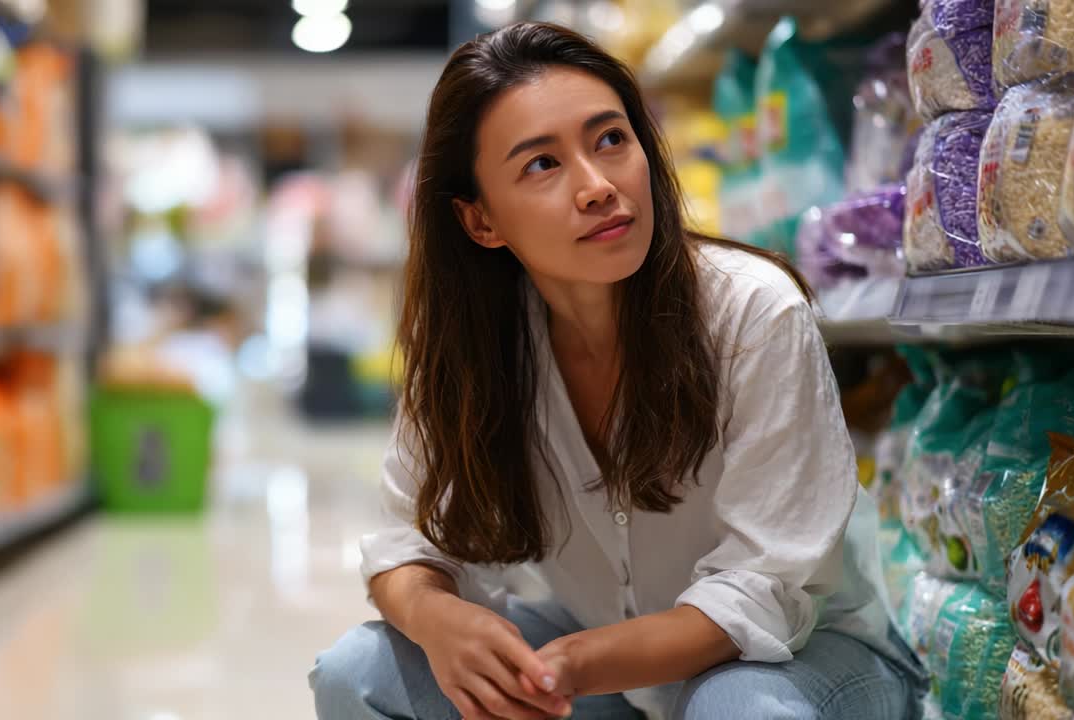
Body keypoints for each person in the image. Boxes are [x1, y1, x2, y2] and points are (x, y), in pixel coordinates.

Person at [309, 22, 926, 720]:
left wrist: (572, 666)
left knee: (738, 710)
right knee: (359, 671)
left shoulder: (752, 312)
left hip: (802, 660)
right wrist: (439, 622)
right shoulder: (476, 346)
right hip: (603, 666)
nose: (599, 186)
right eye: (542, 164)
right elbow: (406, 539)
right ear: (481, 221)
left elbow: (764, 591)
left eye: (610, 139)